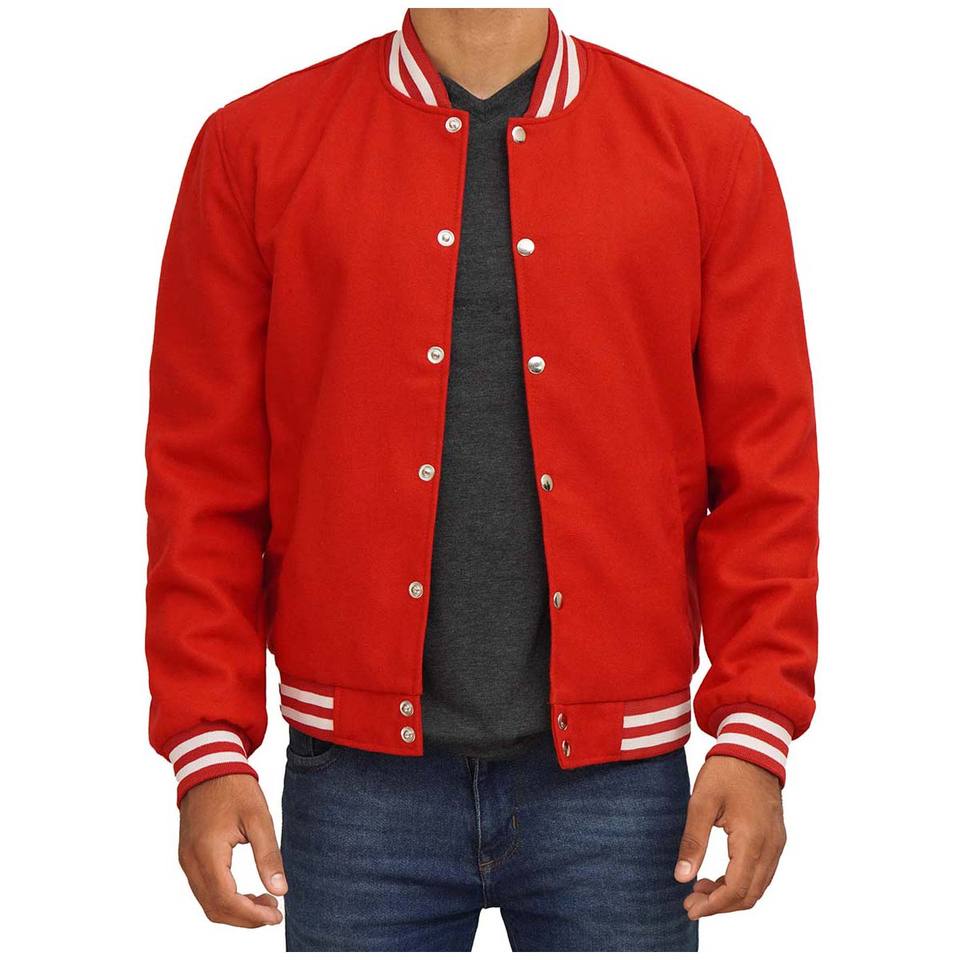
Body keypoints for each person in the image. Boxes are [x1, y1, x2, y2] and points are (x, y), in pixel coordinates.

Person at [146, 6, 818, 952]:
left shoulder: (707, 151)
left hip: (623, 789)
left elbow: (766, 475)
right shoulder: (253, 149)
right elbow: (203, 482)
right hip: (356, 785)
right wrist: (207, 746)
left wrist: (756, 727)